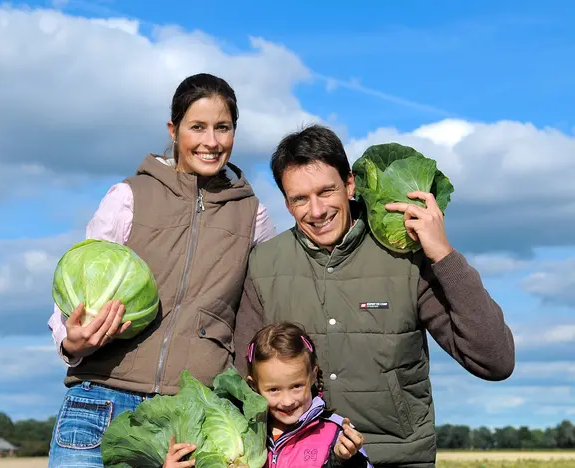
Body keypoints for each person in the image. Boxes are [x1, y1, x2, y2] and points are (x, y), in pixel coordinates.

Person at [236, 124, 516, 468]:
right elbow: (242, 387)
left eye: (326, 191)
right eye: (300, 199)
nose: (317, 210)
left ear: (350, 184)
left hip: (397, 457)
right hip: (304, 460)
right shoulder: (264, 265)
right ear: (286, 202)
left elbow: (495, 360)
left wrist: (443, 254)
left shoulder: (405, 256)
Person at [46, 73, 276, 467]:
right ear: (173, 130)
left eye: (223, 128)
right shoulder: (128, 197)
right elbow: (76, 290)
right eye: (197, 127)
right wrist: (71, 343)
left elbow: (262, 308)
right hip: (100, 400)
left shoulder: (253, 216)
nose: (211, 141)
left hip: (187, 419)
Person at [163, 322, 373, 468]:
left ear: (313, 376)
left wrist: (344, 460)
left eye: (297, 386)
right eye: (274, 390)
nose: (288, 400)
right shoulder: (240, 432)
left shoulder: (335, 432)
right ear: (253, 386)